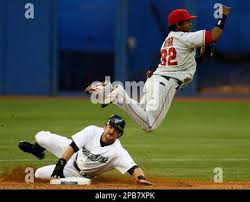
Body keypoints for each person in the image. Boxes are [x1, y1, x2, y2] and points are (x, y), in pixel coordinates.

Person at [85, 5, 231, 132]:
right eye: (187, 21)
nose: (190, 23)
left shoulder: (168, 41)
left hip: (155, 80)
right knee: (150, 125)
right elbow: (214, 35)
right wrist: (222, 16)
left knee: (140, 112)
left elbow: (185, 64)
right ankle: (117, 94)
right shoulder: (184, 38)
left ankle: (115, 91)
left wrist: (202, 57)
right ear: (177, 25)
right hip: (166, 84)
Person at [18, 115, 152, 185]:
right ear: (104, 126)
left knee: (39, 174)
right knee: (40, 137)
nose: (112, 131)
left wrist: (140, 178)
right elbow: (73, 146)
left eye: (116, 130)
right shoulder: (92, 130)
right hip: (73, 153)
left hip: (77, 173)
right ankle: (37, 150)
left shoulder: (118, 151)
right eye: (110, 126)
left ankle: (45, 160)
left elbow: (133, 168)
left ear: (119, 135)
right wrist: (60, 164)